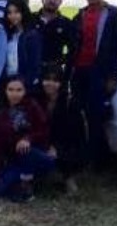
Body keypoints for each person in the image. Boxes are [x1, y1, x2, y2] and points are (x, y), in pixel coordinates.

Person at [69, 0, 117, 168]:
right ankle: (81, 154)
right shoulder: (79, 16)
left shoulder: (115, 15)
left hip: (100, 73)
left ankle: (99, 160)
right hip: (79, 71)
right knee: (77, 113)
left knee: (96, 115)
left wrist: (114, 76)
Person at [0, 76, 55, 202]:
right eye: (10, 90)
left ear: (25, 91)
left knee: (47, 161)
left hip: (31, 151)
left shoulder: (32, 105)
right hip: (12, 156)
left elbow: (43, 129)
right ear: (5, 90)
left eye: (19, 90)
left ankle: (25, 181)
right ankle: (18, 183)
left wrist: (27, 139)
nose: (14, 94)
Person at [37, 64, 87, 194]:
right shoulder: (37, 99)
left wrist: (56, 148)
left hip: (67, 144)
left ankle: (68, 178)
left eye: (55, 80)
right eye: (47, 79)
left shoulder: (70, 103)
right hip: (44, 141)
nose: (50, 84)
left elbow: (74, 135)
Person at [0, 0, 43, 91]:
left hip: (24, 83)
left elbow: (34, 63)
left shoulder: (32, 35)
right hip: (7, 82)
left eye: (16, 12)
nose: (12, 16)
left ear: (23, 12)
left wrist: (26, 82)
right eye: (9, 13)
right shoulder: (7, 35)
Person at [35, 0, 75, 69]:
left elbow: (73, 50)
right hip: (31, 70)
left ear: (60, 1)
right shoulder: (30, 19)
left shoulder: (67, 23)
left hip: (54, 74)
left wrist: (60, 61)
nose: (51, 0)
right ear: (43, 0)